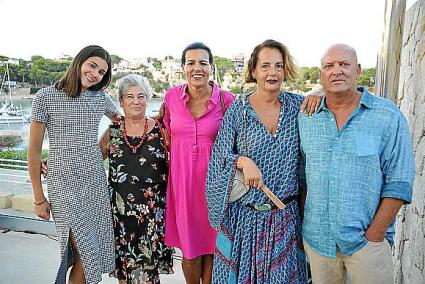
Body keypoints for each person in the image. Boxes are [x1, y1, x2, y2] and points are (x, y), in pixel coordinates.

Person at [206, 39, 321, 283]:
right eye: (265, 66)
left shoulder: (298, 106)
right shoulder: (239, 110)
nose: (273, 72)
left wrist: (319, 93)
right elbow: (218, 158)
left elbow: (333, 105)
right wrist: (242, 161)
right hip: (245, 222)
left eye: (279, 66)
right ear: (254, 71)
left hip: (286, 219)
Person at [298, 44, 415, 284]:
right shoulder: (306, 116)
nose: (336, 71)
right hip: (319, 243)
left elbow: (400, 180)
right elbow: (302, 177)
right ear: (321, 75)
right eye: (329, 66)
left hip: (366, 244)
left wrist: (375, 234)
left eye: (344, 64)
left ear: (358, 70)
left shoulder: (387, 116)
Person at [28, 45, 120, 283]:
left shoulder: (100, 98)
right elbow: (34, 150)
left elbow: (123, 121)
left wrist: (104, 140)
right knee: (85, 251)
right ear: (79, 61)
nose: (95, 74)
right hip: (62, 185)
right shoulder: (45, 97)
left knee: (88, 254)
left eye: (101, 72)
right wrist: (39, 198)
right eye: (92, 65)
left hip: (94, 183)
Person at [162, 42, 235, 284]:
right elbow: (160, 128)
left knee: (214, 250)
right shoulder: (172, 97)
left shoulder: (227, 100)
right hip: (183, 187)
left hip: (217, 188)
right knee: (191, 252)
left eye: (203, 62)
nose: (197, 68)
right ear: (183, 67)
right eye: (191, 62)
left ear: (211, 68)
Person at [99, 74, 174, 283]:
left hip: (152, 215)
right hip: (120, 215)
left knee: (148, 274)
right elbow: (92, 161)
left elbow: (180, 162)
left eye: (141, 96)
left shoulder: (161, 130)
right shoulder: (112, 132)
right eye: (130, 96)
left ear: (148, 99)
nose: (136, 101)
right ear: (121, 101)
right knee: (125, 272)